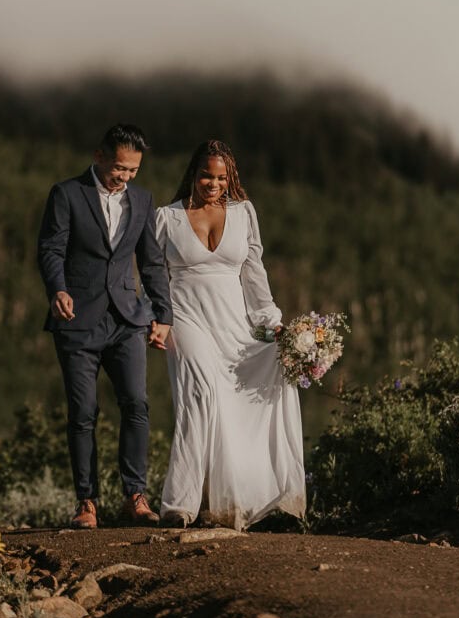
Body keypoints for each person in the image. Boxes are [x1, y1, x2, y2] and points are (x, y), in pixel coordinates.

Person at [156, 140, 306, 530]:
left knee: (257, 385)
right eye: (207, 175)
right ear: (193, 173)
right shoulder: (166, 218)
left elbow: (254, 272)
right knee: (200, 392)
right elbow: (151, 276)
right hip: (185, 318)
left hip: (234, 324)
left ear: (230, 179)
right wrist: (155, 319)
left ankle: (249, 499)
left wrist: (272, 322)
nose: (213, 184)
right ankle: (179, 506)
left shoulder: (243, 213)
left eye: (221, 178)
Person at [37, 124, 172, 529]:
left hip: (128, 319)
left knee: (136, 403)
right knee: (83, 411)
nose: (126, 177)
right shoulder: (67, 194)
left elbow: (150, 261)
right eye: (119, 168)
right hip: (77, 320)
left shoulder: (143, 201)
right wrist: (57, 290)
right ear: (99, 156)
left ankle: (135, 496)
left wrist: (162, 316)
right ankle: (87, 502)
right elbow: (51, 249)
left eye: (133, 170)